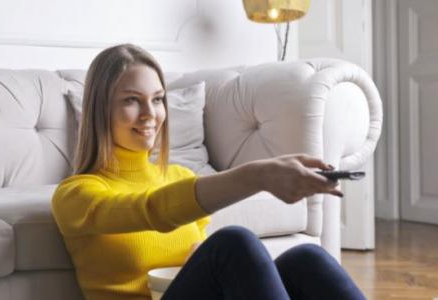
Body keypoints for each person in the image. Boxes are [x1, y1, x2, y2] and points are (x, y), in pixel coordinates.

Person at [52, 44, 365, 300]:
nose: (150, 114)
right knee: (233, 243)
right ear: (100, 109)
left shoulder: (180, 178)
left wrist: (198, 260)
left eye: (158, 99)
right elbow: (152, 210)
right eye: (132, 100)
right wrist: (259, 175)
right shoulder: (76, 196)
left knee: (307, 260)